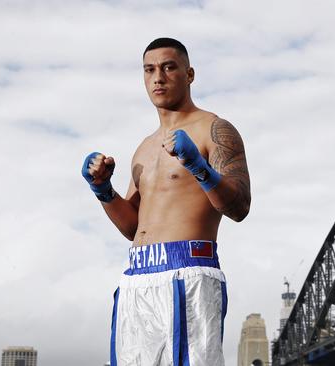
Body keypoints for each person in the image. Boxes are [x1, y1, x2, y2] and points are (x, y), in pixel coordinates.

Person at [81, 38, 251, 366]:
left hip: (188, 271)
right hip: (136, 276)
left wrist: (199, 169)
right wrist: (103, 189)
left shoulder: (214, 129)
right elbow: (133, 226)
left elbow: (240, 206)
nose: (158, 76)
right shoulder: (144, 147)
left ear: (189, 74)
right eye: (149, 69)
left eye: (168, 67)